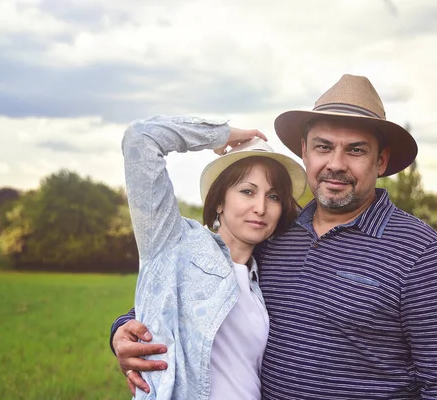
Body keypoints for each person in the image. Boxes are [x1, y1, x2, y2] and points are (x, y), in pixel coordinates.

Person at [111, 75, 437, 399]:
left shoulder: (423, 255)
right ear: (304, 152)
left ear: (380, 162)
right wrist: (124, 332)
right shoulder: (276, 235)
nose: (336, 163)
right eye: (323, 146)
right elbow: (186, 293)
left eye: (356, 150)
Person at [118, 115, 307, 399]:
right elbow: (141, 137)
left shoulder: (262, 275)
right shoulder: (173, 242)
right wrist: (223, 134)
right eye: (247, 191)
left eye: (274, 196)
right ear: (219, 200)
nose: (260, 207)